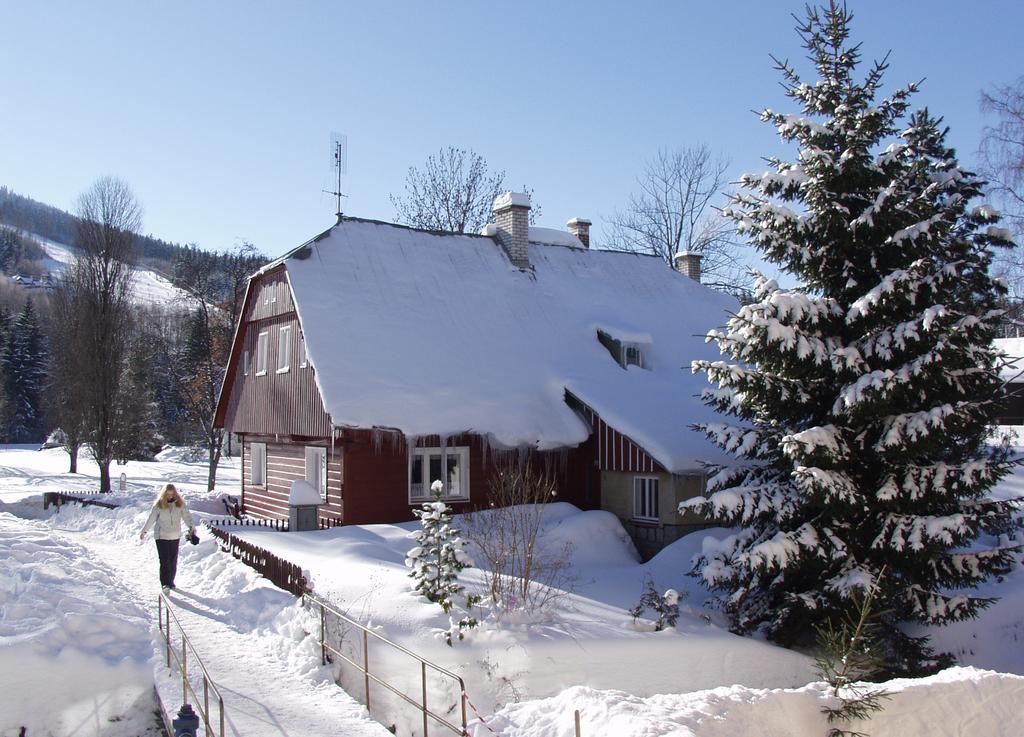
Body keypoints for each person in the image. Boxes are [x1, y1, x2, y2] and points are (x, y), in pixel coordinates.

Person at [139, 483, 196, 594]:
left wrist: (191, 527)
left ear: (175, 494)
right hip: (161, 536)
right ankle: (165, 583)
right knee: (164, 560)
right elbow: (151, 518)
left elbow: (186, 516)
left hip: (175, 535)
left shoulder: (180, 504)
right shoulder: (159, 505)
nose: (170, 496)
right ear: (164, 494)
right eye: (168, 494)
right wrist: (144, 531)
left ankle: (171, 581)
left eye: (172, 494)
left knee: (173, 560)